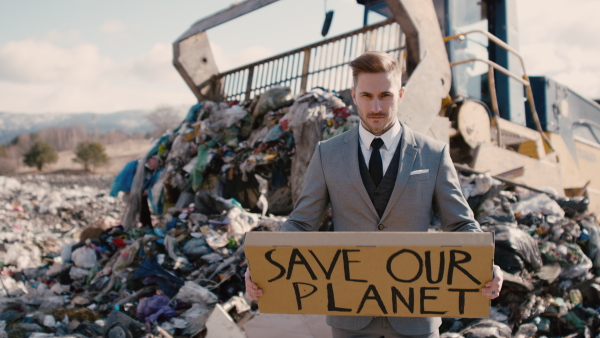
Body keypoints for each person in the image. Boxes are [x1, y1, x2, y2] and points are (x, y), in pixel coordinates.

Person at [245, 51, 503, 338]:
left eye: (386, 95)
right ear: (354, 95)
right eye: (367, 95)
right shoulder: (327, 154)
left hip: (415, 317)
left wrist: (486, 263)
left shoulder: (433, 154)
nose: (376, 106)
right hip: (350, 317)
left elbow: (460, 224)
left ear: (401, 94)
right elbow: (303, 223)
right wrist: (265, 265)